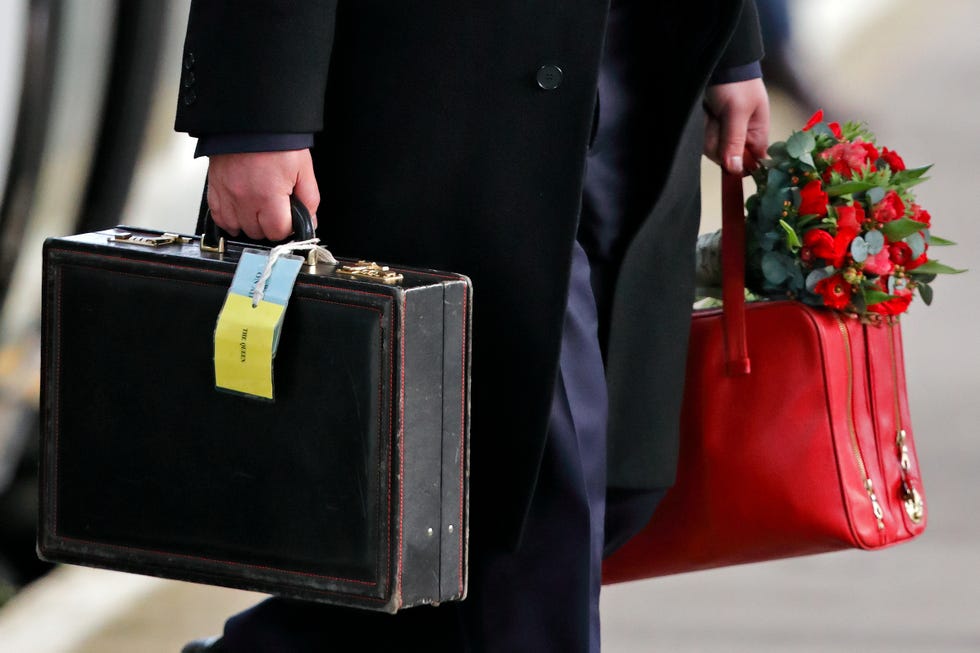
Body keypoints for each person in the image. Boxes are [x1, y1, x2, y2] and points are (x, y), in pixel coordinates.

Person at [175, 1, 769, 651]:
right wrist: (256, 113)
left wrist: (729, 43)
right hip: (447, 89)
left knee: (619, 482)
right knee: (539, 499)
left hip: (637, 64)